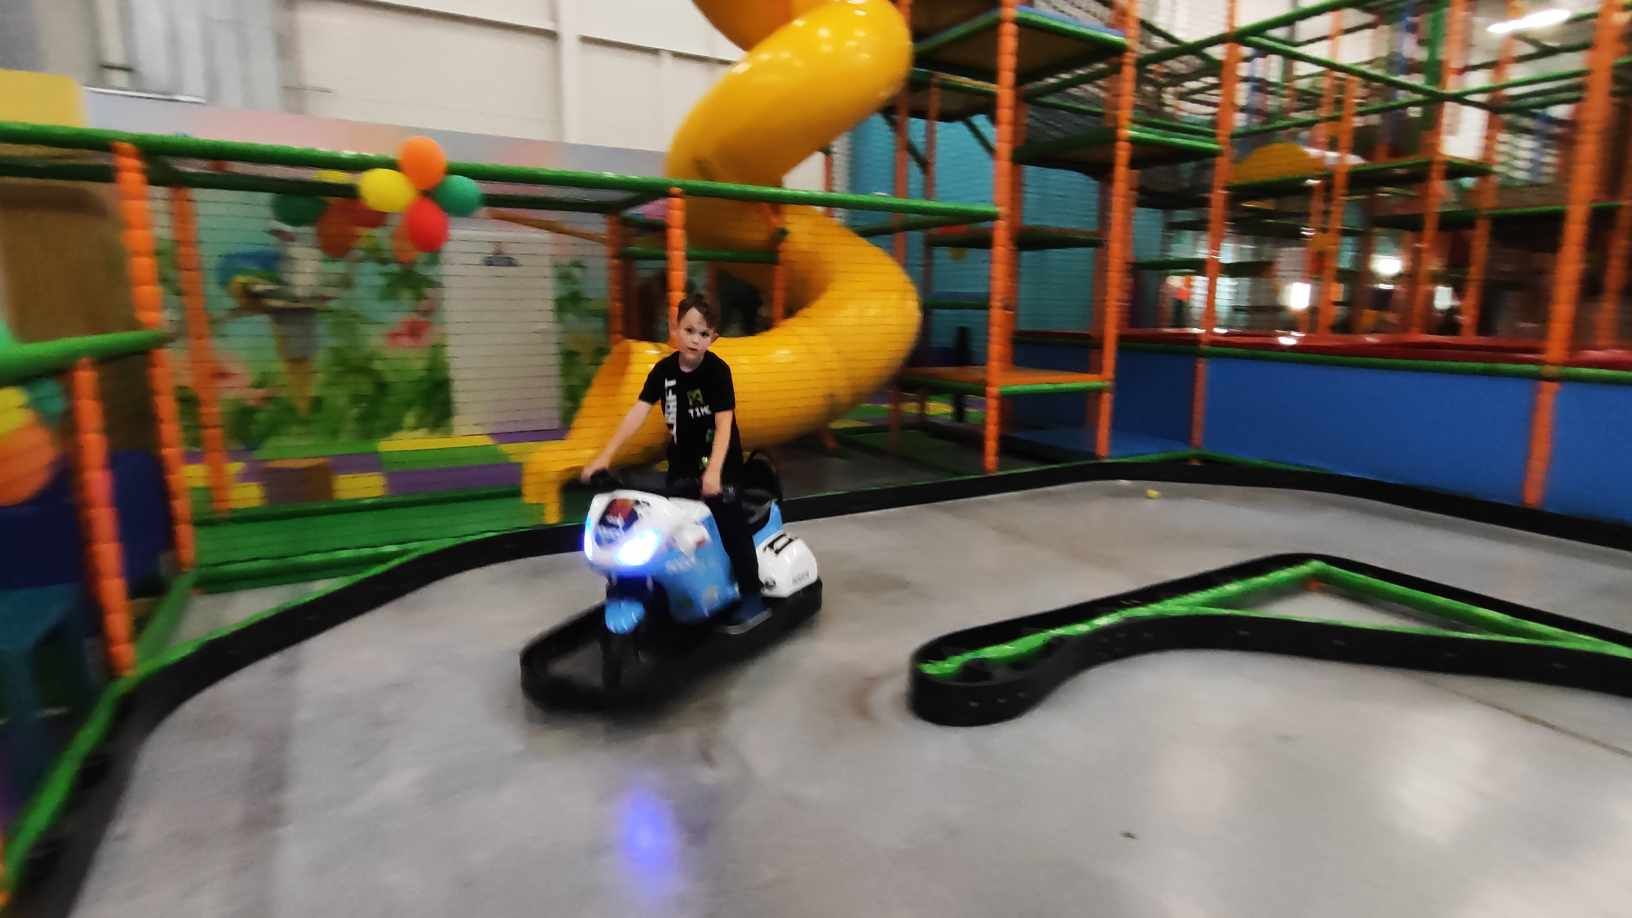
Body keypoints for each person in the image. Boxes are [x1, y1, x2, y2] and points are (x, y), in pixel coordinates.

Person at [581, 293, 765, 625]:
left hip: (722, 464)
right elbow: (636, 415)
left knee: (731, 525)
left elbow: (725, 424)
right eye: (689, 330)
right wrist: (604, 457)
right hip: (682, 465)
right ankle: (657, 584)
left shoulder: (717, 372)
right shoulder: (663, 372)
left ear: (713, 338)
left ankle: (752, 594)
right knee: (661, 523)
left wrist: (715, 472)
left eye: (703, 333)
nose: (695, 339)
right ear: (674, 328)